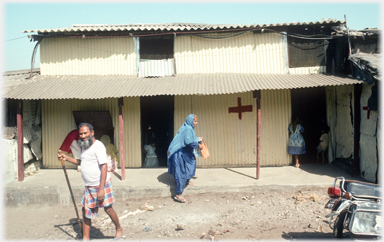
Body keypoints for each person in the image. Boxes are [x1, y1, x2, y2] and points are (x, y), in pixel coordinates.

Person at [57, 123, 124, 241]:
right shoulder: (83, 146)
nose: (83, 136)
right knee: (86, 210)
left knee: (108, 209)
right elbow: (82, 162)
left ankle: (119, 228)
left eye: (85, 133)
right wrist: (67, 158)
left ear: (92, 133)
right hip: (89, 186)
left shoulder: (99, 146)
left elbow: (104, 167)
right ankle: (86, 238)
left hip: (101, 184)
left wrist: (101, 189)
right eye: (81, 134)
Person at [167, 114, 203, 203]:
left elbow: (188, 139)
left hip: (185, 151)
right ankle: (178, 194)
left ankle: (186, 181)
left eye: (196, 121)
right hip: (179, 152)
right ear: (190, 121)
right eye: (194, 121)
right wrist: (199, 145)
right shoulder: (187, 129)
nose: (196, 123)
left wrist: (197, 139)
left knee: (191, 164)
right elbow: (189, 142)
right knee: (180, 172)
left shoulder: (188, 128)